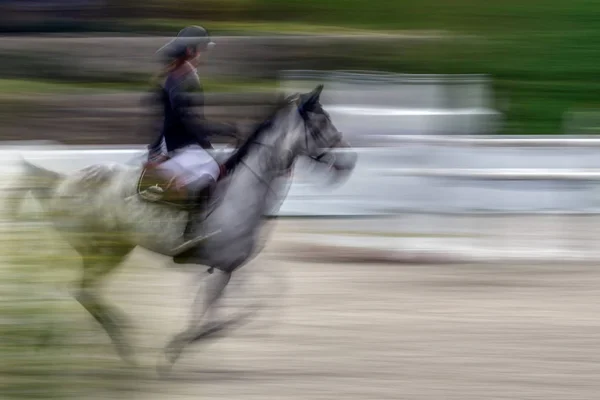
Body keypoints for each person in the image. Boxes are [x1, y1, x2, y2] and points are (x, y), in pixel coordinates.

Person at [146, 25, 236, 208]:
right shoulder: (179, 81)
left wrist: (210, 144)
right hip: (175, 147)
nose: (201, 56)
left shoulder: (183, 77)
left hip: (186, 144)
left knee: (219, 166)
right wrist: (225, 130)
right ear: (190, 50)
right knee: (210, 170)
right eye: (200, 51)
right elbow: (191, 123)